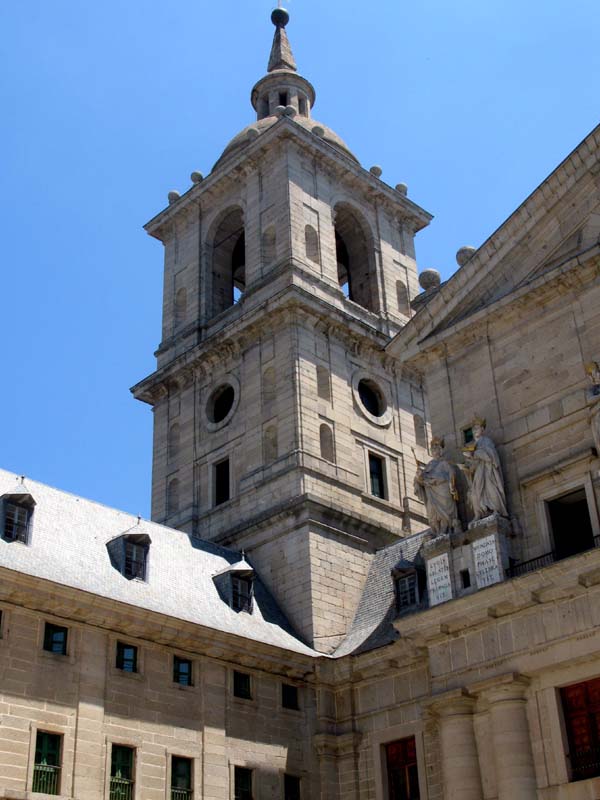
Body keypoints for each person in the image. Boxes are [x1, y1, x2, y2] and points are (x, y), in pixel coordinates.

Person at [461, 417, 508, 520]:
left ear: (482, 429)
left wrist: (474, 454)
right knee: (475, 492)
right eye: (473, 429)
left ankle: (496, 509)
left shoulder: (486, 441)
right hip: (478, 472)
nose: (475, 430)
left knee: (491, 489)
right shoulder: (473, 445)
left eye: (477, 428)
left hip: (488, 471)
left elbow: (491, 455)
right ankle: (480, 513)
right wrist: (467, 467)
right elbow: (472, 464)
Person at [414, 437, 459, 535]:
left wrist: (450, 485)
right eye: (432, 448)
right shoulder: (428, 466)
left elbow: (452, 474)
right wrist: (418, 477)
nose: (434, 449)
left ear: (440, 450)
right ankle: (436, 530)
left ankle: (446, 528)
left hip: (443, 491)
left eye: (436, 447)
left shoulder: (444, 463)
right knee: (432, 512)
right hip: (431, 493)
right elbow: (423, 480)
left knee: (445, 510)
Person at [585, 362, 600, 454]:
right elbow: (590, 401)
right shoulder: (591, 390)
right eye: (591, 375)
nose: (593, 377)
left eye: (596, 373)